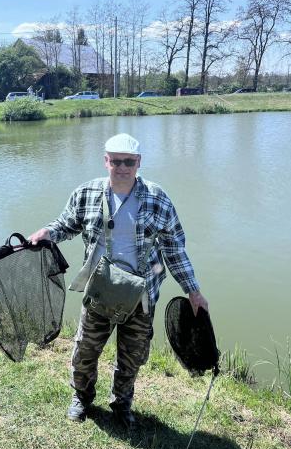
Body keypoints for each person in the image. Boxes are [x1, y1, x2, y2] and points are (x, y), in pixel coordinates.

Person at [29, 133, 208, 428]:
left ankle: (121, 403)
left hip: (142, 295)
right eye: (116, 161)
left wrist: (193, 291)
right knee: (85, 351)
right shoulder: (86, 193)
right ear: (106, 161)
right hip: (100, 292)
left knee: (132, 358)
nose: (122, 167)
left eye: (129, 161)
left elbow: (174, 248)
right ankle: (82, 398)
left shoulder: (157, 198)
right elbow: (65, 225)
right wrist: (47, 232)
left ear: (139, 163)